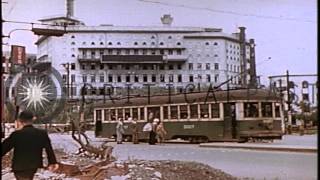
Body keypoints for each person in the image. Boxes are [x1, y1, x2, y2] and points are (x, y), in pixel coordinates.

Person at [1, 111, 59, 180]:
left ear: (20, 120)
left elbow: (3, 149)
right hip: (35, 167)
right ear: (33, 119)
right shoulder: (42, 133)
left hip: (19, 168)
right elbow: (49, 149)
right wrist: (52, 162)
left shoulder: (16, 134)